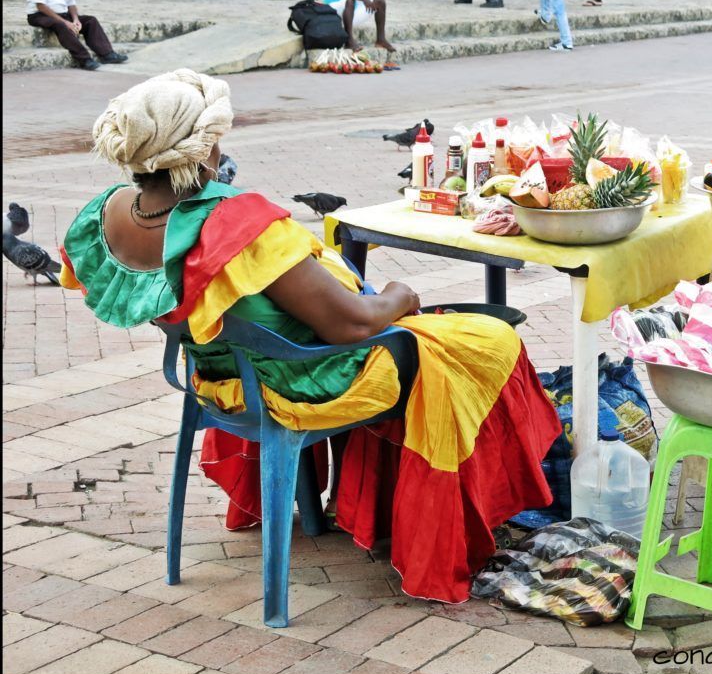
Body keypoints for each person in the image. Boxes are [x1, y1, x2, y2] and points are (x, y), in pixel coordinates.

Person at [58, 69, 561, 604]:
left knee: (431, 340)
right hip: (306, 380)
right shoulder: (236, 224)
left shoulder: (109, 216)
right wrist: (400, 295)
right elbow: (351, 325)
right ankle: (459, 520)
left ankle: (372, 504)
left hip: (219, 377)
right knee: (489, 341)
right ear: (204, 151)